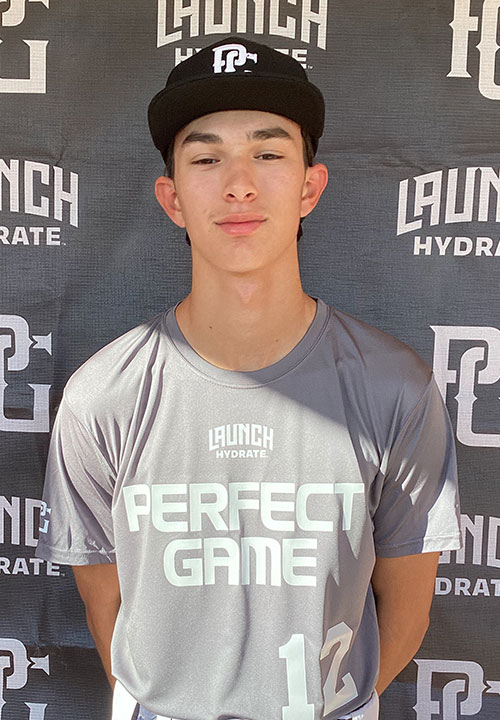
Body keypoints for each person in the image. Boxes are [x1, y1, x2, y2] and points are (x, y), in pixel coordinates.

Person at [35, 36, 461, 720]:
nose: (239, 183)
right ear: (173, 198)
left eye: (268, 154)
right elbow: (106, 603)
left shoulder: (395, 389)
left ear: (309, 187)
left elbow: (407, 609)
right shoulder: (103, 395)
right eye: (207, 159)